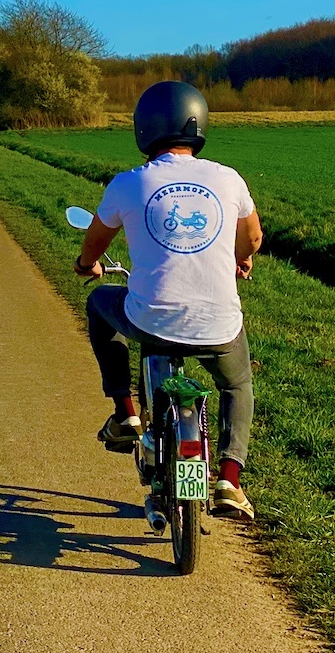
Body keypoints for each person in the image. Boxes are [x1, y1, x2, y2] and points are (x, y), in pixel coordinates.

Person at [73, 80, 263, 521]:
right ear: (198, 124)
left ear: (144, 130)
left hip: (151, 319)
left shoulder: (128, 184)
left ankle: (124, 412)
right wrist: (241, 259)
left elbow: (94, 243)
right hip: (219, 326)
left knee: (101, 303)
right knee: (236, 385)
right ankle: (230, 478)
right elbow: (251, 236)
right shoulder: (227, 177)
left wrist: (86, 265)